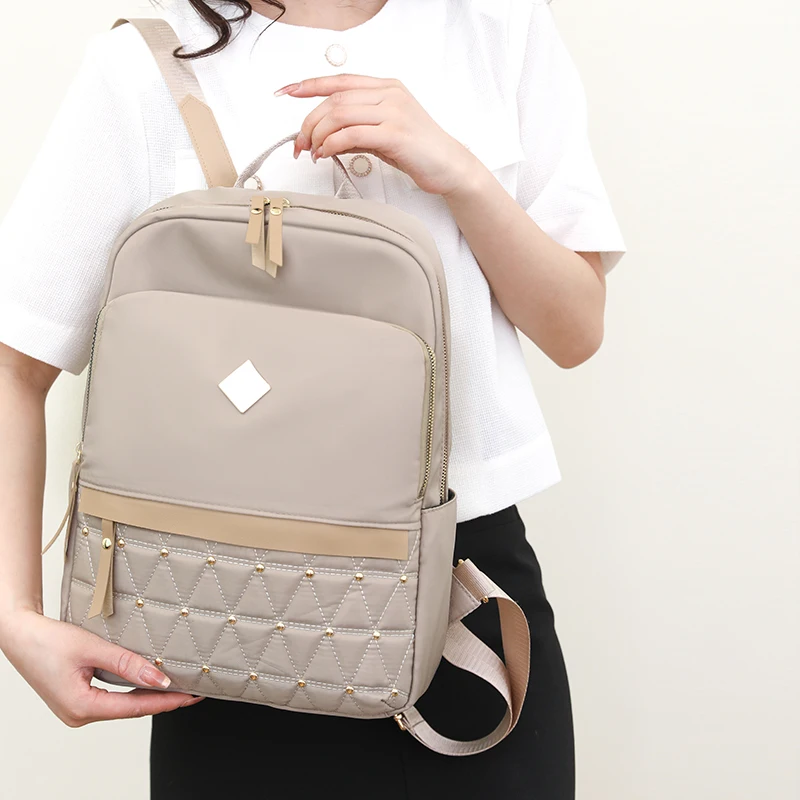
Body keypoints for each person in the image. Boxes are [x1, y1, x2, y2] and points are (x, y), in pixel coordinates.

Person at [0, 1, 626, 797]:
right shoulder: (151, 62)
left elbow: (575, 330)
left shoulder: (498, 24)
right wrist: (14, 617)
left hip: (469, 598)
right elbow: (14, 361)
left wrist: (460, 173)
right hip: (227, 608)